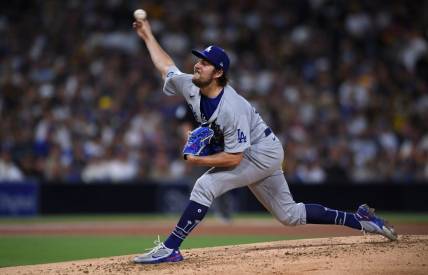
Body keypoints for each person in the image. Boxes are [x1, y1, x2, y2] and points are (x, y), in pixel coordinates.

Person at [132, 17, 397, 264]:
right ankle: (361, 220)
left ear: (218, 72)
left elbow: (234, 158)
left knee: (205, 185)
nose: (197, 64)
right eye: (199, 59)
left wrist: (199, 159)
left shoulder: (230, 107)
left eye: (205, 62)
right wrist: (147, 36)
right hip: (260, 150)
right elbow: (166, 66)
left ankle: (170, 248)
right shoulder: (192, 85)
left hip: (260, 153)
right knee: (289, 215)